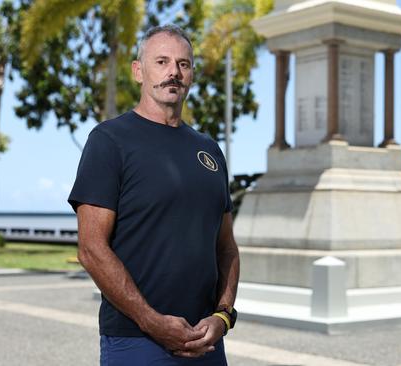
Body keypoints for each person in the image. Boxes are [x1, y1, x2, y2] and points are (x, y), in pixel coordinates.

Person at [68, 24, 240, 365]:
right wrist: (152, 321)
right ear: (138, 71)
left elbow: (226, 246)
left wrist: (223, 317)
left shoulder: (209, 150)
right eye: (161, 61)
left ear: (191, 75)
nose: (173, 72)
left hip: (205, 343)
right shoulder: (109, 141)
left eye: (183, 64)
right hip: (137, 341)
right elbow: (91, 249)